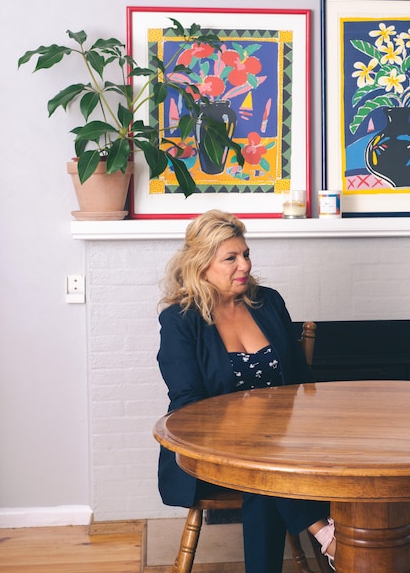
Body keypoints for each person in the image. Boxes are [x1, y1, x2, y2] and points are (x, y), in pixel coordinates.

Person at [156, 210, 336, 572]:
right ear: (202, 264)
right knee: (260, 469)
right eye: (231, 258)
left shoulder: (267, 302)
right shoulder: (180, 321)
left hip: (281, 442)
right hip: (214, 445)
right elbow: (187, 404)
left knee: (264, 471)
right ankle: (326, 534)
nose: (245, 265)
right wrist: (253, 432)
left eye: (246, 254)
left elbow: (301, 378)